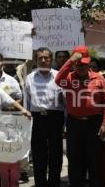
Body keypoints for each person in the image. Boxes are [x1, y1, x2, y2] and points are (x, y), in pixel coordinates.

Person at [55, 45, 105, 187]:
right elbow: (57, 79)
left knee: (94, 161)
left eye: (84, 64)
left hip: (94, 124)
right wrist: (70, 61)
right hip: (74, 124)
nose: (81, 67)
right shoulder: (68, 78)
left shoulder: (98, 78)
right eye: (78, 64)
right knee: (74, 161)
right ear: (74, 64)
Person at [25, 47, 65, 187]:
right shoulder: (29, 78)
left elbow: (65, 101)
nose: (43, 60)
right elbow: (27, 101)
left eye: (46, 57)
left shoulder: (60, 76)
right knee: (38, 153)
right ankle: (40, 183)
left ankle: (54, 182)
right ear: (36, 59)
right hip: (37, 119)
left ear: (51, 59)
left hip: (55, 118)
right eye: (40, 57)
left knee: (56, 152)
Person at [0, 52, 23, 187]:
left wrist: (11, 108)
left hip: (9, 125)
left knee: (9, 159)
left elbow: (19, 97)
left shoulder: (11, 80)